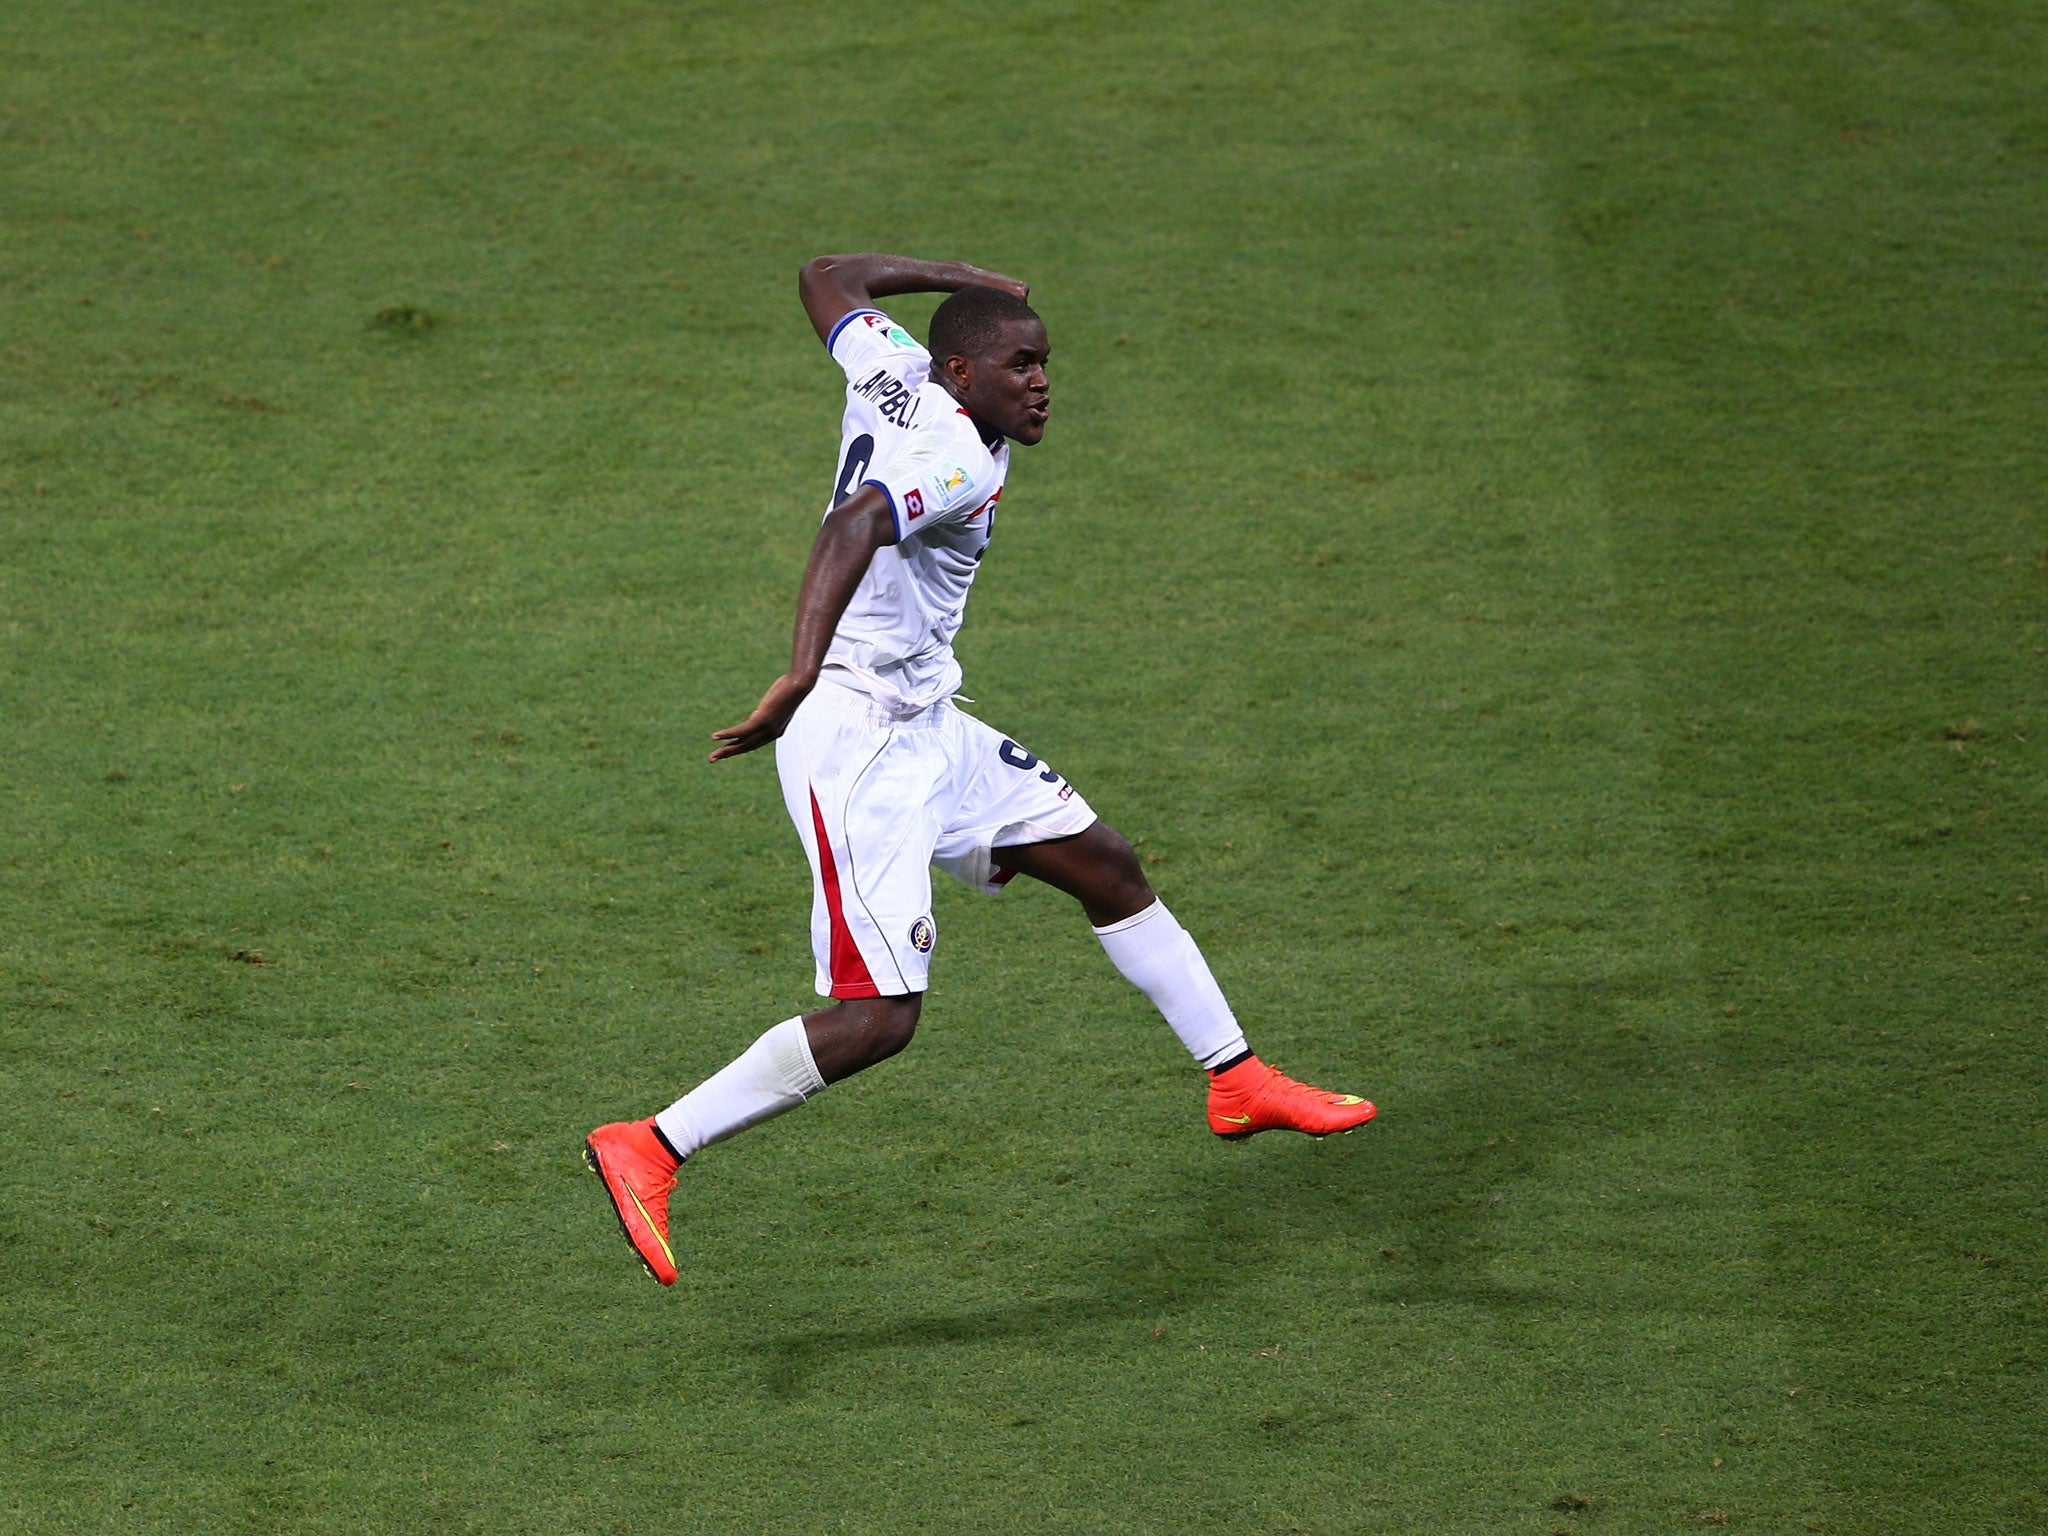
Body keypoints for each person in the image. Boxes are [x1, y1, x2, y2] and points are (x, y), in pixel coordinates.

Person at [584, 253, 1375, 1285]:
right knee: (880, 1018)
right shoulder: (954, 454)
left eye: (1044, 364)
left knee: (1105, 866)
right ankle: (650, 1144)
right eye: (1018, 366)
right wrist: (796, 674)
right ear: (959, 376)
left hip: (928, 722)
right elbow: (856, 521)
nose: (1040, 384)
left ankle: (1236, 1078)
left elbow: (827, 276)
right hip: (860, 739)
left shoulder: (894, 366)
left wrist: (963, 278)